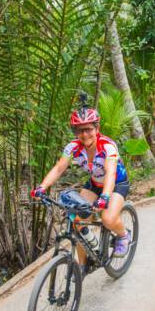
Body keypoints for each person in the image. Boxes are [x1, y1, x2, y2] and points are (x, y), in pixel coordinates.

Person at [30, 104, 132, 268]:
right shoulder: (73, 147)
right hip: (94, 184)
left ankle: (123, 235)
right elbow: (59, 168)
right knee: (76, 221)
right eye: (79, 130)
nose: (84, 134)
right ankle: (84, 265)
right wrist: (41, 188)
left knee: (107, 218)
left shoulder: (107, 146)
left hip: (116, 184)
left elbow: (111, 172)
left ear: (97, 128)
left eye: (88, 129)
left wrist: (105, 197)